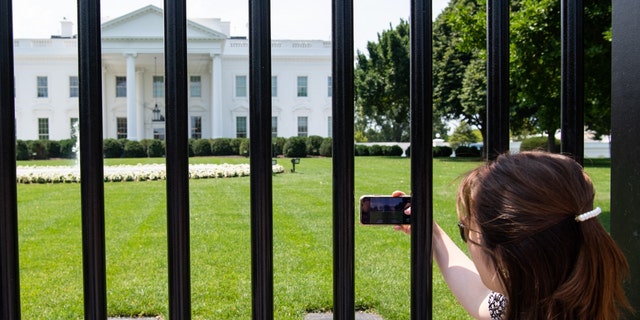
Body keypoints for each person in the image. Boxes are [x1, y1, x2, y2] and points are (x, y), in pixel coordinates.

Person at [393, 151, 632, 319]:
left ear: (506, 258)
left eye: (466, 230)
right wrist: (432, 233)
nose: (467, 238)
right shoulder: (546, 304)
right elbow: (482, 298)